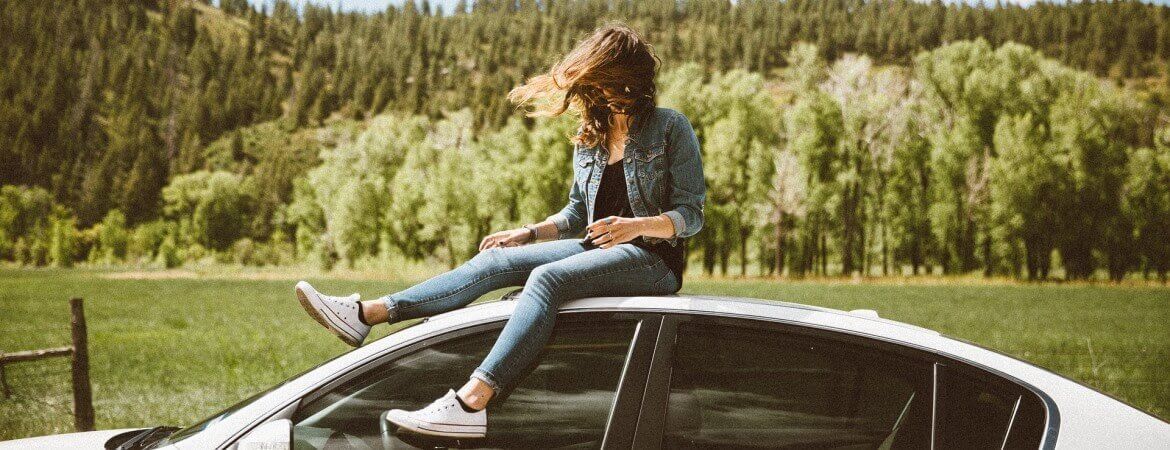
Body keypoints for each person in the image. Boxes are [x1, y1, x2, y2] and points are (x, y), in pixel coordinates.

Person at [293, 23, 705, 438]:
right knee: (495, 260)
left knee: (546, 280)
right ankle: (367, 314)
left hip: (654, 260)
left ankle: (472, 402)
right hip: (593, 248)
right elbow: (578, 213)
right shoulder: (591, 139)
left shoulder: (670, 128)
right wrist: (526, 233)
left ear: (631, 77)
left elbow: (692, 213)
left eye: (610, 83)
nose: (603, 93)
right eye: (597, 84)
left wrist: (637, 227)